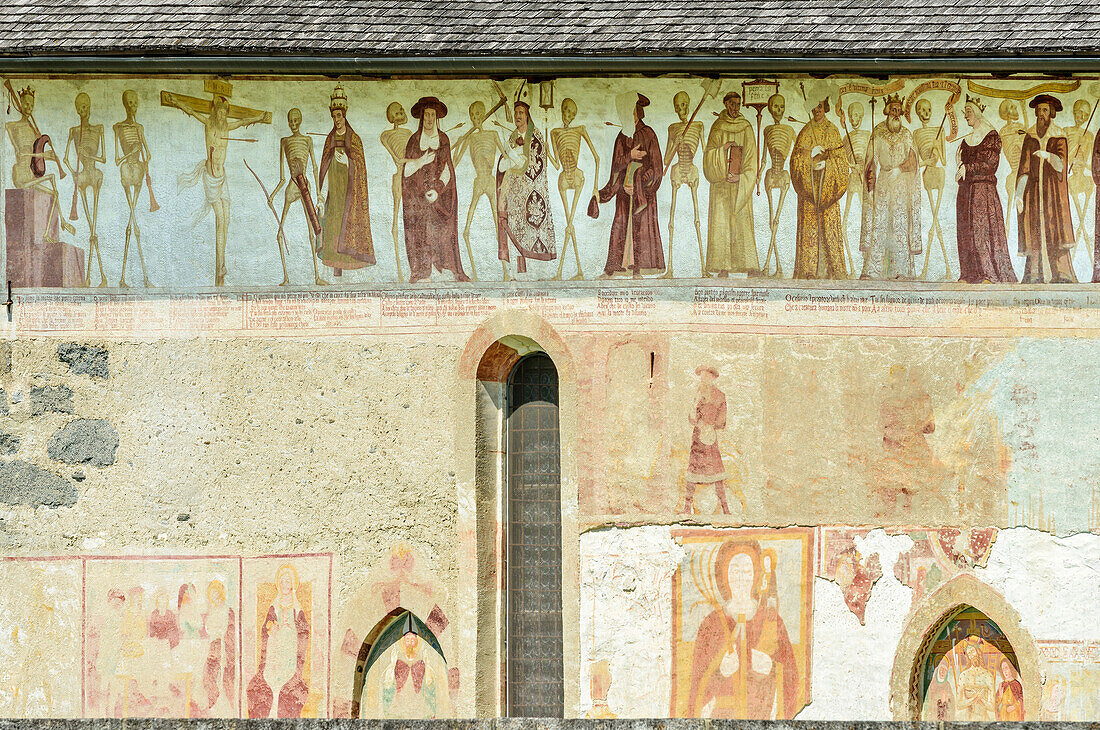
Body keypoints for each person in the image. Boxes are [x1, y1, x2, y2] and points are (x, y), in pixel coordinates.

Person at [689, 540, 799, 719]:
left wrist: (771, 667)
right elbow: (695, 687)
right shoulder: (711, 624)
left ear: (755, 575)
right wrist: (720, 672)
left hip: (763, 716)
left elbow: (793, 679)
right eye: (734, 571)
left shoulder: (772, 621)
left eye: (747, 571)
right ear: (725, 576)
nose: (740, 578)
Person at [594, 92, 665, 277]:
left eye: (625, 110)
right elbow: (616, 166)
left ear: (635, 111)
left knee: (640, 228)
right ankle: (613, 268)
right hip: (624, 192)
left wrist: (640, 183)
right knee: (620, 225)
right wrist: (630, 157)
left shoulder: (648, 133)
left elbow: (657, 168)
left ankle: (638, 270)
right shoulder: (622, 136)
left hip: (642, 193)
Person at [402, 96, 470, 283]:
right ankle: (422, 271)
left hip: (437, 196)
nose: (430, 118)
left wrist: (437, 191)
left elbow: (447, 169)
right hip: (417, 197)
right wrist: (421, 161)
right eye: (427, 115)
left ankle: (445, 267)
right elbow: (406, 171)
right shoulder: (414, 140)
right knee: (420, 230)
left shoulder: (443, 139)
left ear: (436, 117)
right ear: (422, 117)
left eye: (433, 115)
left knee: (441, 230)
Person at [1015, 93, 1077, 283]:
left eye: (1045, 110)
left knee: (1055, 229)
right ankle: (1034, 274)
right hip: (1033, 193)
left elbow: (1062, 166)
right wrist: (1019, 195)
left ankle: (1061, 274)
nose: (1041, 114)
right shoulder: (1030, 136)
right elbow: (1024, 168)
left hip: (1052, 194)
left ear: (1051, 113)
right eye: (1038, 110)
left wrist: (1048, 156)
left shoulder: (1058, 136)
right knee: (1033, 230)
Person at [955, 96, 1017, 283]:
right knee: (966, 232)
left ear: (977, 112)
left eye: (968, 111)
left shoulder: (991, 136)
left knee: (982, 231)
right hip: (966, 191)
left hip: (983, 190)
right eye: (964, 111)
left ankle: (988, 273)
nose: (965, 115)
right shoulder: (966, 141)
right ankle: (969, 273)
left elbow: (990, 164)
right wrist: (959, 165)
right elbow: (962, 164)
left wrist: (967, 168)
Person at [860, 94, 921, 279]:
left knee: (900, 225)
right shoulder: (877, 132)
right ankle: (873, 270)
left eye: (898, 111)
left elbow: (913, 160)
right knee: (879, 224)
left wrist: (900, 169)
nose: (896, 114)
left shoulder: (907, 134)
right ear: (887, 112)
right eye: (892, 110)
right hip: (884, 181)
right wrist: (870, 184)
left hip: (901, 183)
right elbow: (870, 161)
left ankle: (900, 270)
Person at [318, 85, 375, 276]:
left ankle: (348, 262)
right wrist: (321, 193)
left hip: (349, 193)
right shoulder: (329, 139)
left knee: (347, 224)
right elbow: (325, 167)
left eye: (340, 116)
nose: (337, 120)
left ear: (344, 115)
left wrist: (349, 162)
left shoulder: (355, 138)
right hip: (334, 193)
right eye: (334, 116)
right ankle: (336, 266)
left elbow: (361, 167)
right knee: (333, 224)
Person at [791, 94, 849, 278]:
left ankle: (832, 270)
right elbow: (795, 161)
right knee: (810, 227)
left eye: (820, 107)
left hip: (828, 188)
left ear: (825, 108)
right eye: (814, 108)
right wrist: (810, 157)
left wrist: (827, 163)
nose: (817, 111)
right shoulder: (806, 131)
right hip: (810, 190)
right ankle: (809, 271)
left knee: (829, 228)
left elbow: (841, 161)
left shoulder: (832, 131)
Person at [496, 100, 556, 278]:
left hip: (532, 191)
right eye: (516, 113)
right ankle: (520, 270)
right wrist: (507, 162)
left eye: (521, 113)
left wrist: (513, 156)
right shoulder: (512, 137)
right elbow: (505, 164)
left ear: (527, 115)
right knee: (515, 228)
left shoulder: (536, 135)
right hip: (515, 193)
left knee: (533, 229)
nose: (518, 116)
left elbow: (533, 164)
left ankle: (538, 272)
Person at [704, 92, 759, 276]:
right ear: (726, 104)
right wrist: (723, 150)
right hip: (721, 185)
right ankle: (722, 267)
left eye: (738, 104)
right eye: (732, 104)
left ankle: (749, 266)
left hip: (740, 186)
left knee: (742, 223)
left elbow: (752, 160)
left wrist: (741, 178)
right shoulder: (717, 126)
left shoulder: (746, 127)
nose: (736, 108)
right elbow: (708, 155)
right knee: (721, 224)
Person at [270, 107, 326, 286]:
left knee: (312, 232)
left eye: (296, 120)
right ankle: (286, 278)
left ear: (300, 121)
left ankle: (317, 277)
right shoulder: (284, 141)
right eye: (290, 121)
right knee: (280, 233)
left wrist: (318, 194)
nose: (293, 124)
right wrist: (272, 195)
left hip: (306, 186)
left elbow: (315, 167)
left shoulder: (307, 140)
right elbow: (282, 177)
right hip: (292, 186)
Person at [247, 564, 311, 718]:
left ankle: (279, 709)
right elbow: (265, 629)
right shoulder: (273, 606)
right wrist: (271, 629)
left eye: (287, 581)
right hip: (274, 649)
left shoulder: (297, 608)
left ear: (293, 584)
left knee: (286, 679)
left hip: (289, 648)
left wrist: (291, 630)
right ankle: (271, 708)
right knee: (268, 680)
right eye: (282, 581)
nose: (284, 584)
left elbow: (304, 632)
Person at [64, 91, 107, 286]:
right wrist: (74, 172)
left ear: (89, 107)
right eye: (80, 107)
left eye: (85, 106)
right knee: (91, 226)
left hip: (95, 172)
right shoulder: (73, 131)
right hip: (81, 176)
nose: (83, 110)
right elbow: (65, 158)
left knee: (94, 225)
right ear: (76, 110)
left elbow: (104, 159)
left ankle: (95, 277)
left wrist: (90, 157)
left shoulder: (99, 128)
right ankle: (94, 277)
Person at [112, 89, 154, 287]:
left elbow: (149, 154)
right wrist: (130, 152)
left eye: (134, 103)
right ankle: (126, 278)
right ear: (124, 104)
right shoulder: (118, 127)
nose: (132, 106)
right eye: (129, 103)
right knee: (132, 224)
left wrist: (143, 159)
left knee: (132, 222)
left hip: (138, 170)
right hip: (127, 170)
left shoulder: (140, 127)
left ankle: (133, 279)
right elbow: (116, 159)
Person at [663, 91, 705, 277]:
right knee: (671, 218)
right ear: (674, 108)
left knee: (697, 218)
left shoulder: (698, 125)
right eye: (678, 106)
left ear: (689, 104)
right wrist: (674, 145)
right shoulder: (672, 128)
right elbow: (666, 160)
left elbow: (706, 153)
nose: (682, 109)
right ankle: (670, 269)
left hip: (693, 169)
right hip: (678, 168)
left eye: (685, 104)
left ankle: (703, 269)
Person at [682, 366, 731, 515]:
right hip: (698, 437)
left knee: (716, 472)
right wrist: (697, 421)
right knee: (693, 470)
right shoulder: (698, 394)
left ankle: (725, 509)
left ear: (713, 378)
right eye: (702, 377)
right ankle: (686, 507)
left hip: (710, 438)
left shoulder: (720, 396)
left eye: (707, 377)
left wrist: (711, 426)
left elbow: (722, 420)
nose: (703, 380)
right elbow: (691, 418)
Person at [760, 93, 795, 277]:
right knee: (770, 220)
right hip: (770, 175)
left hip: (783, 175)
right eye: (775, 107)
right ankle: (774, 267)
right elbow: (764, 158)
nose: (779, 111)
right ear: (769, 108)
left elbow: (799, 152)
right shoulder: (766, 130)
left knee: (776, 220)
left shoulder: (789, 130)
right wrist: (759, 176)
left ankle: (772, 267)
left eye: (781, 107)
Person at [957, 643, 995, 720]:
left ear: (978, 652)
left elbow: (992, 707)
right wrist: (973, 699)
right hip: (968, 719)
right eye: (969, 654)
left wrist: (981, 700)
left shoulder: (987, 675)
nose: (972, 655)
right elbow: (959, 705)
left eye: (973, 651)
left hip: (984, 719)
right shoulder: (964, 675)